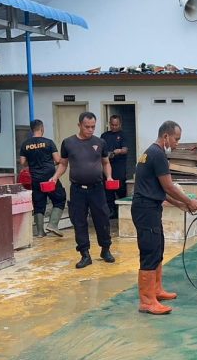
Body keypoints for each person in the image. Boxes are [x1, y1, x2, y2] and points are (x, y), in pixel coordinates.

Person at [133, 120, 197, 315]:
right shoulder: (158, 155)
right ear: (166, 136)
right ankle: (147, 302)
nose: (177, 143)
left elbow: (159, 189)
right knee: (149, 252)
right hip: (145, 210)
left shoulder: (152, 153)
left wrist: (180, 204)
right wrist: (189, 202)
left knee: (158, 247)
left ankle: (156, 290)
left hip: (150, 208)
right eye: (176, 139)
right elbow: (169, 186)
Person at [50, 112, 114, 269]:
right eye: (87, 127)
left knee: (103, 219)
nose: (90, 130)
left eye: (93, 127)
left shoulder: (100, 142)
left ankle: (105, 249)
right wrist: (54, 177)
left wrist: (109, 177)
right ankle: (85, 254)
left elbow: (105, 162)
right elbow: (63, 164)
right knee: (79, 221)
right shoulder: (68, 143)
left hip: (97, 189)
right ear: (79, 125)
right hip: (77, 190)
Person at [19, 119, 66, 237]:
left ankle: (40, 232)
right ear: (42, 128)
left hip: (35, 178)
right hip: (50, 178)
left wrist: (34, 164)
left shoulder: (25, 144)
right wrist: (49, 163)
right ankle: (53, 224)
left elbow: (23, 162)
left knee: (39, 204)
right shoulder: (49, 142)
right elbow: (58, 160)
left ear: (31, 129)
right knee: (60, 199)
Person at [100, 115, 128, 219]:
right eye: (112, 124)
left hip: (119, 166)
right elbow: (100, 149)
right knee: (107, 189)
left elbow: (125, 149)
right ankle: (111, 211)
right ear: (109, 123)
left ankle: (123, 210)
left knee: (120, 188)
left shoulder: (123, 135)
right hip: (106, 165)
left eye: (116, 125)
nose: (114, 127)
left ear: (120, 124)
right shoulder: (104, 136)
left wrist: (118, 151)